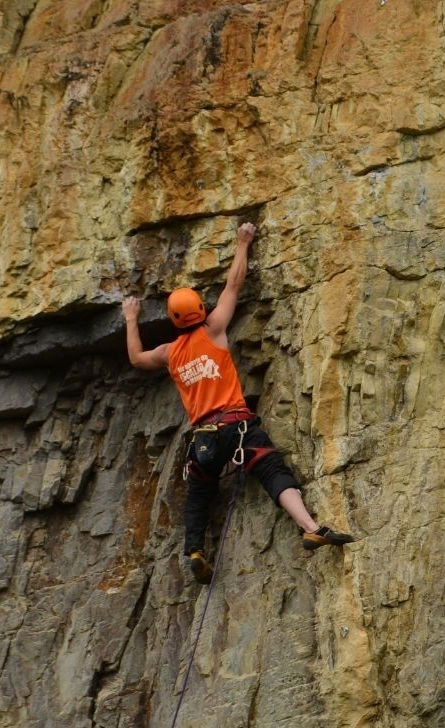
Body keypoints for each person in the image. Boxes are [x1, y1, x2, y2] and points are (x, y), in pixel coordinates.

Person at [121, 221, 354, 584]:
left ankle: (195, 550)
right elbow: (234, 283)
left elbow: (136, 359)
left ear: (173, 319)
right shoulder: (213, 329)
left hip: (204, 439)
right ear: (201, 308)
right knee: (272, 470)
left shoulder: (169, 353)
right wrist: (243, 242)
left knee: (199, 494)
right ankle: (309, 527)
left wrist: (131, 318)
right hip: (237, 426)